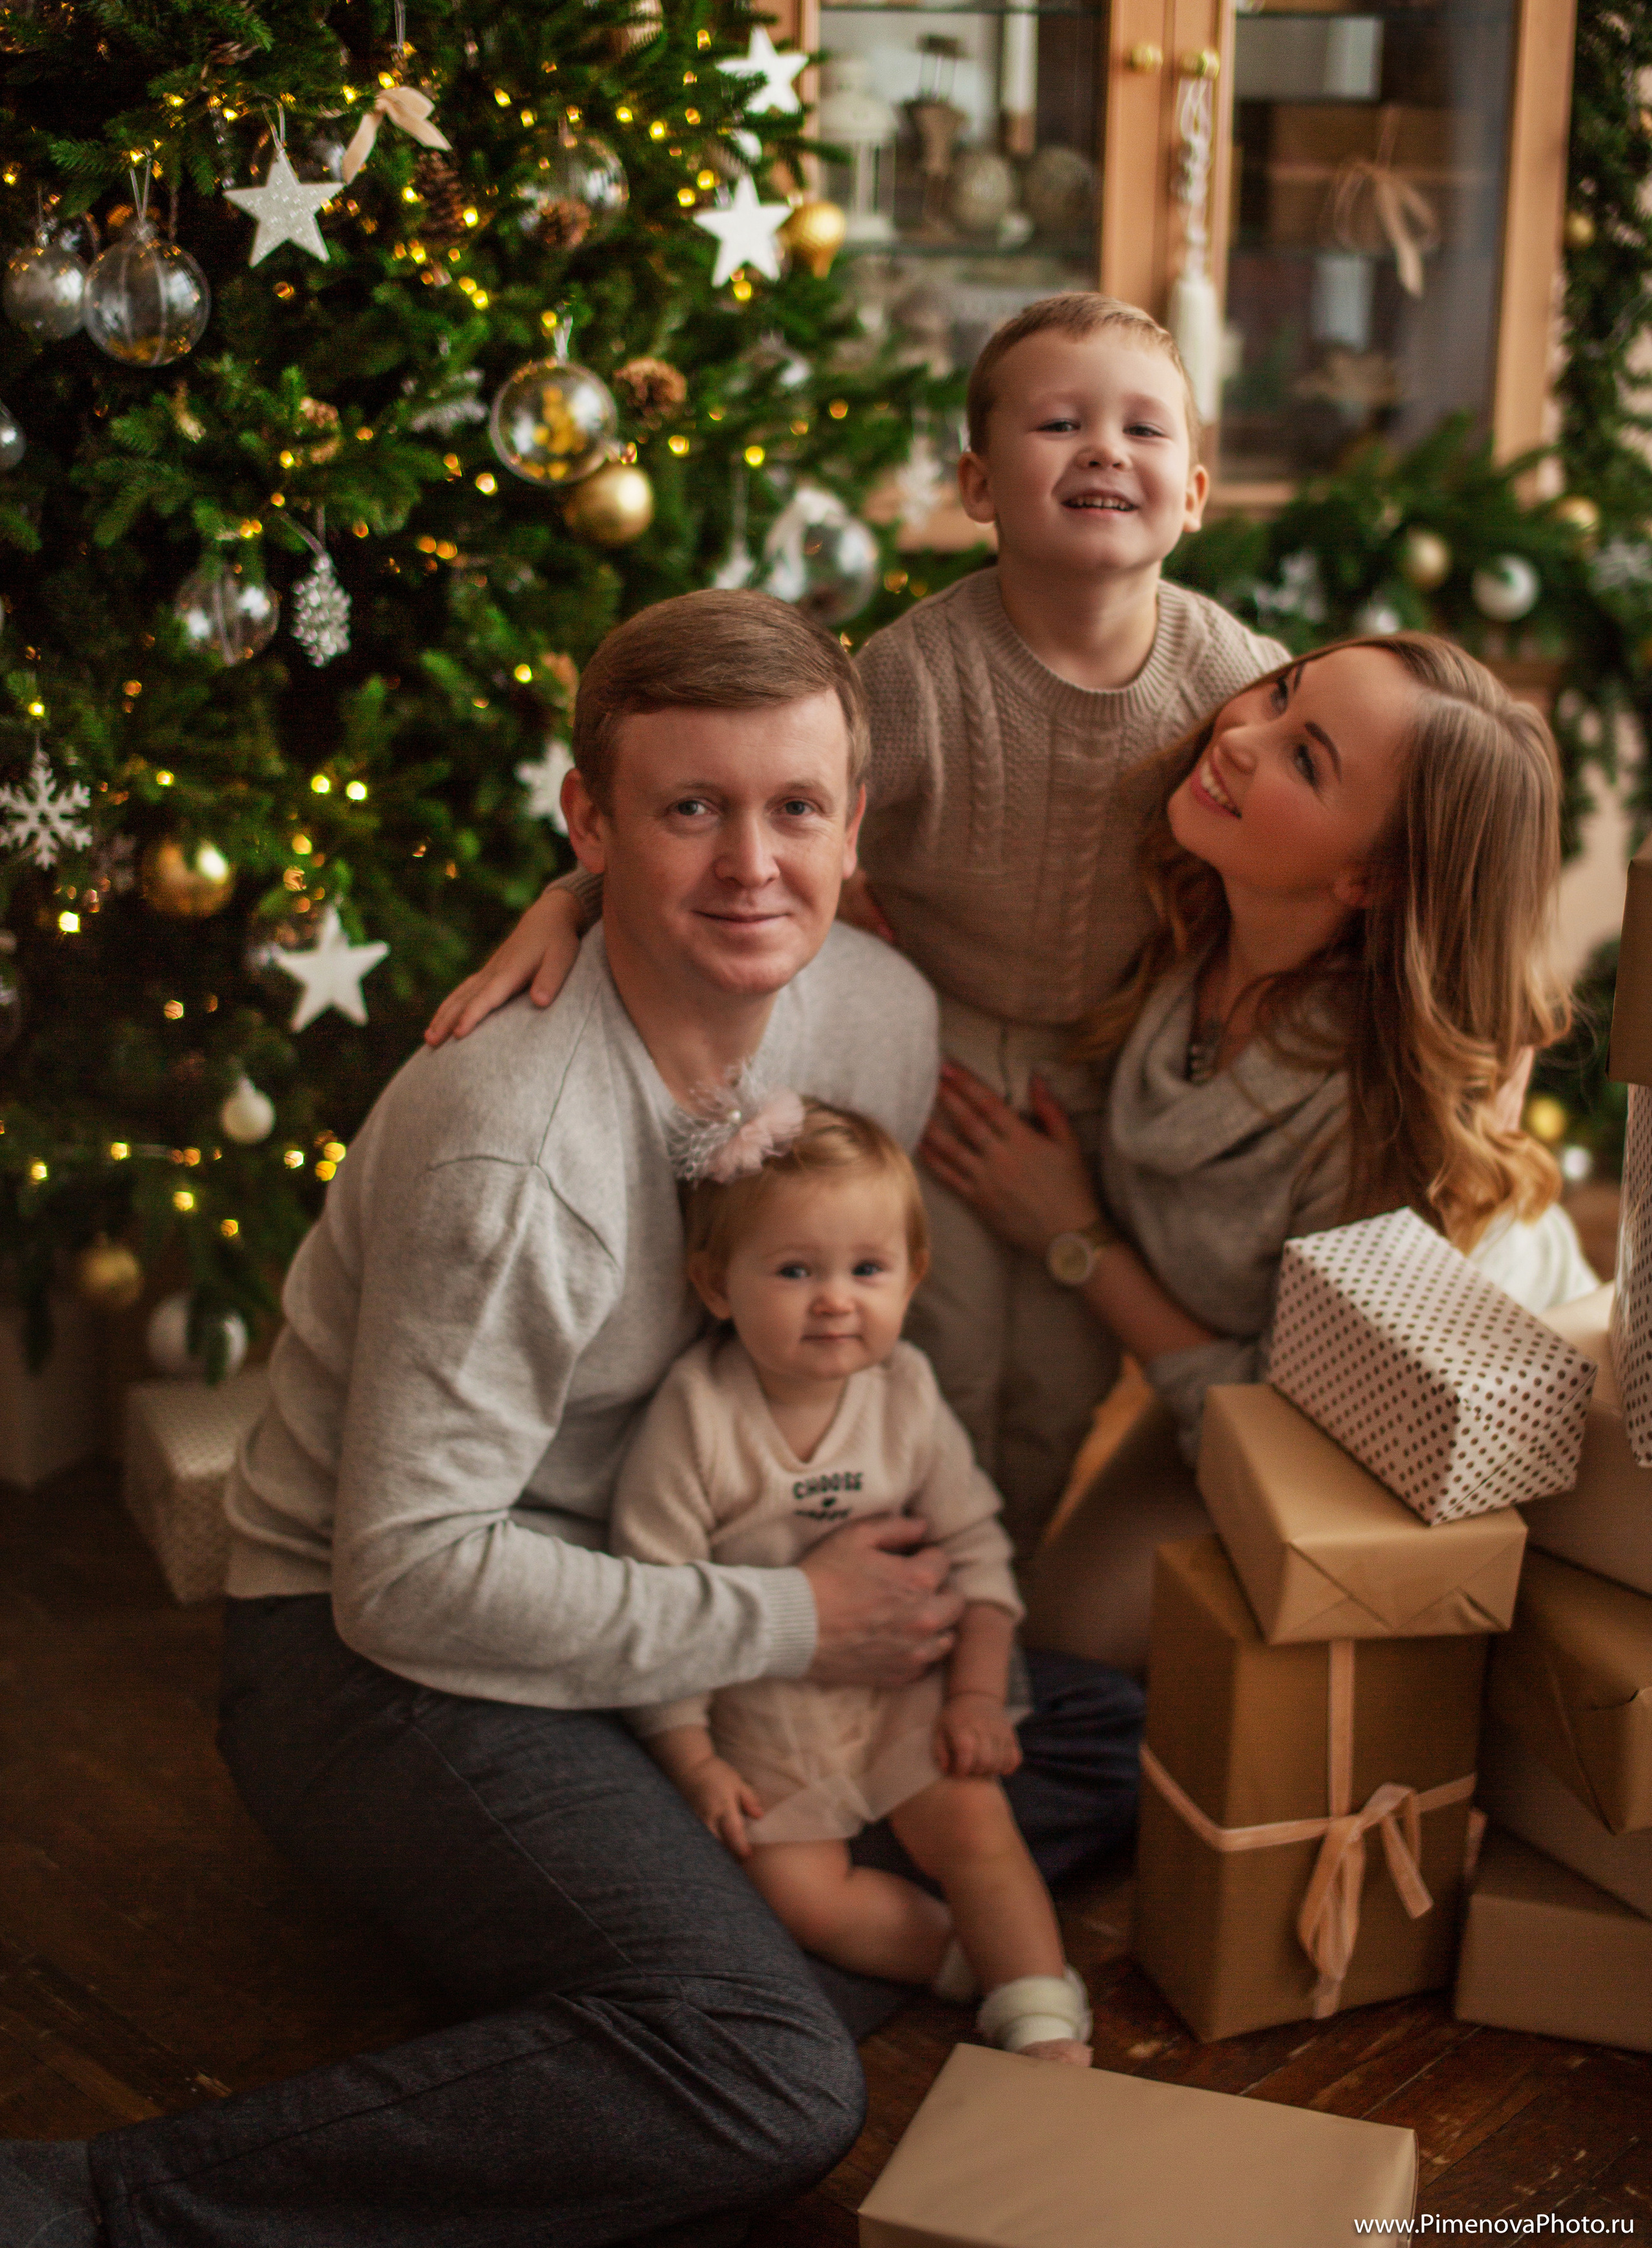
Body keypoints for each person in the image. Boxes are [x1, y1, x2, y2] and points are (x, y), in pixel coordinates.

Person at [0, 590, 1138, 2248]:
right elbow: (401, 1581)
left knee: (1093, 1734)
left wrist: (835, 1591)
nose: (753, 864)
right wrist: (790, 1618)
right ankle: (97, 2206)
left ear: (853, 821)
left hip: (659, 1569)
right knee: (770, 2081)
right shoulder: (509, 1150)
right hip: (367, 1662)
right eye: (688, 810)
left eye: (793, 808)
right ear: (589, 820)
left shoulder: (875, 1018)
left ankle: (646, 1961)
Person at [427, 294, 1289, 1559]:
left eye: (1141, 429)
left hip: (1108, 1064)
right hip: (923, 1047)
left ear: (1196, 490)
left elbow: (1334, 832)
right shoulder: (911, 674)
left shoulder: (1230, 681)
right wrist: (569, 895)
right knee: (919, 1343)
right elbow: (772, 819)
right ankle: (856, 1583)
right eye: (1060, 423)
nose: (1104, 450)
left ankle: (982, 1595)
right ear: (978, 484)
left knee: (1055, 1379)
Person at [919, 634, 1595, 1676]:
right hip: (1234, 1380)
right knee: (1048, 1644)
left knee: (1070, 1682)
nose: (1239, 734)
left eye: (1306, 759)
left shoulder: (1375, 1121)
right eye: (1281, 693)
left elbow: (1300, 1410)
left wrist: (1075, 1240)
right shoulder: (1193, 914)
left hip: (1398, 1433)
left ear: (1369, 876)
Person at [612, 1098, 1092, 2065]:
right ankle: (959, 1964)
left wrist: (972, 1697)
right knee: (799, 1899)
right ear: (716, 1286)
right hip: (763, 1718)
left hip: (903, 1689)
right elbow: (655, 1599)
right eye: (795, 1272)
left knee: (974, 1817)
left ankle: (1043, 2014)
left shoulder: (904, 1394)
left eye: (866, 1270)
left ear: (912, 1278)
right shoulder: (696, 1418)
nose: (836, 1300)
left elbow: (978, 1553)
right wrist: (691, 1758)